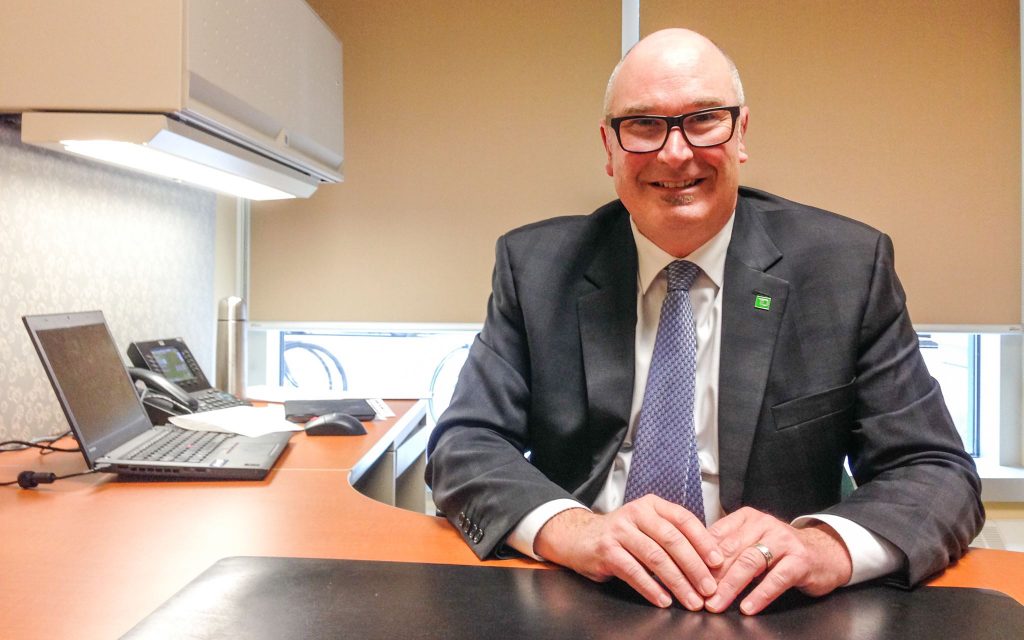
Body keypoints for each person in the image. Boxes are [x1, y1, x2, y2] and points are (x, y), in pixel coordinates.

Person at [425, 28, 983, 615]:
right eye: (643, 125)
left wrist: (823, 548)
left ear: (740, 132)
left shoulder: (844, 268)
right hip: (579, 593)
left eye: (703, 119)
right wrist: (575, 530)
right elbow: (466, 443)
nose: (674, 153)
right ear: (609, 146)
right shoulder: (536, 268)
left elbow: (935, 470)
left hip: (767, 604)